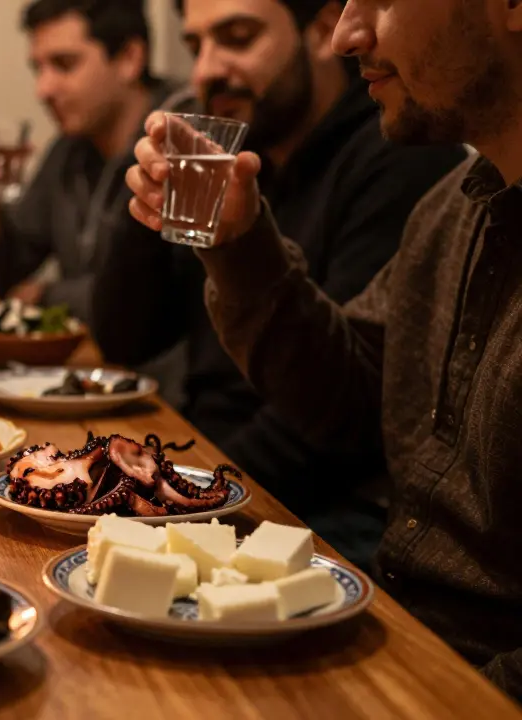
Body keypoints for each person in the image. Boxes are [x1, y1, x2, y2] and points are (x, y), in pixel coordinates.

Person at [125, 0, 522, 698]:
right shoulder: (452, 209)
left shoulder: (397, 175)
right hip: (391, 629)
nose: (344, 36)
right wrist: (237, 244)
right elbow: (353, 400)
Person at [95, 0, 464, 568]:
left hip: (316, 507)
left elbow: (340, 424)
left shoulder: (398, 153)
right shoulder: (237, 146)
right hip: (208, 460)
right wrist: (146, 192)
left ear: (321, 30)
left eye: (238, 37)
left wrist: (180, 495)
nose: (206, 70)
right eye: (195, 47)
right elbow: (126, 338)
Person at [0, 0, 178, 322]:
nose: (43, 89)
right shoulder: (69, 150)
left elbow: (166, 300)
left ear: (129, 58)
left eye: (64, 64)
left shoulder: (180, 140)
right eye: (38, 69)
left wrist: (46, 296)